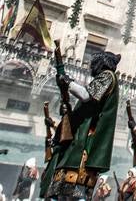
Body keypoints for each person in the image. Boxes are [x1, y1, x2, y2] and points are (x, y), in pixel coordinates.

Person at [41, 52, 120, 200]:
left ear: (101, 63)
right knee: (60, 193)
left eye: (93, 62)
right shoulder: (102, 79)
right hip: (77, 142)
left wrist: (68, 82)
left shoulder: (107, 75)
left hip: (85, 143)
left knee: (74, 193)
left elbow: (85, 95)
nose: (91, 65)